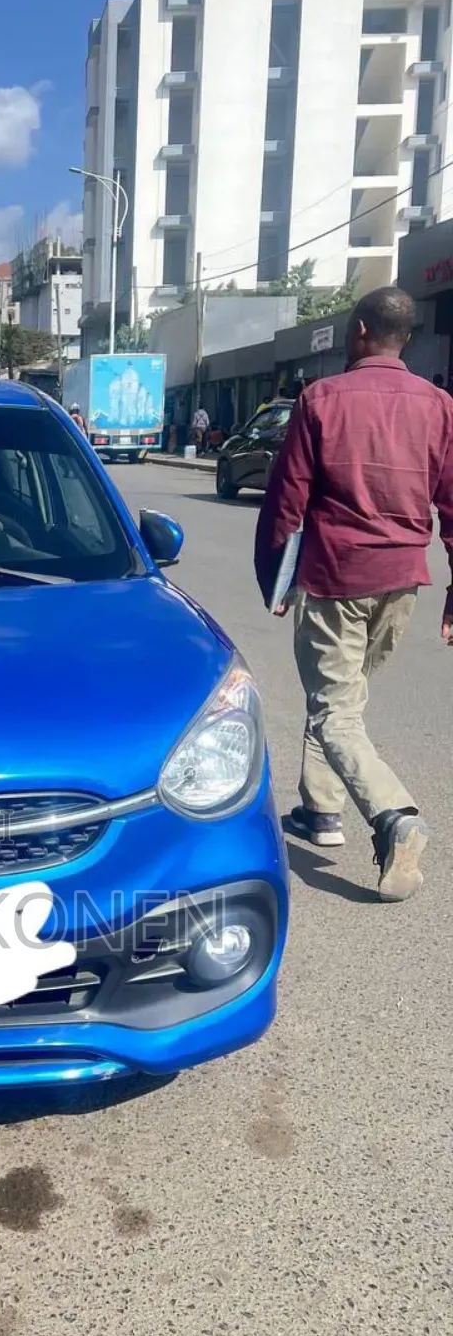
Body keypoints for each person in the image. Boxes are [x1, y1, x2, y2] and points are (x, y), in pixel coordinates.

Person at [254, 285, 453, 901]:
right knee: (339, 695)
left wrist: (275, 578)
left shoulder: (321, 399)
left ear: (362, 330)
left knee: (334, 707)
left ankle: (395, 817)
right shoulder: (439, 405)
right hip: (402, 581)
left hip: (336, 576)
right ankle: (320, 810)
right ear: (406, 338)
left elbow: (286, 502)